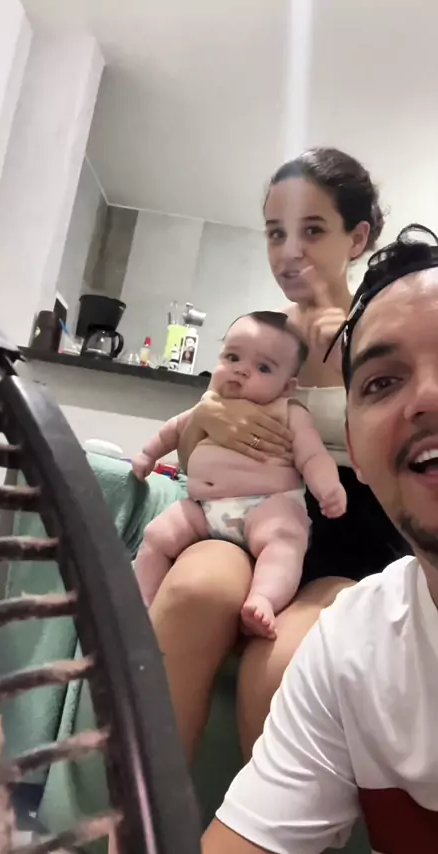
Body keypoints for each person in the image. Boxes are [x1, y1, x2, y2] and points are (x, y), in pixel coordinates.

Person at [149, 148, 410, 763]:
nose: (288, 251)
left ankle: (257, 817)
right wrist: (207, 417)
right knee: (193, 593)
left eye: (312, 231)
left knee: (282, 661)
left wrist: (353, 360)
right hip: (245, 516)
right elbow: (190, 460)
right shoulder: (263, 338)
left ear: (357, 238)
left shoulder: (387, 329)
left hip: (350, 529)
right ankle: (136, 811)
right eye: (275, 233)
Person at [202, 223, 438, 854]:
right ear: (354, 446)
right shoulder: (350, 646)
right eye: (382, 381)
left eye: (312, 229)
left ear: (356, 237)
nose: (426, 397)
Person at [132, 312, 346, 636]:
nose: (241, 370)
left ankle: (264, 598)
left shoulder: (288, 412)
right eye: (232, 357)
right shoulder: (211, 404)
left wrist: (327, 487)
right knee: (157, 535)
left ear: (287, 386)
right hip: (203, 509)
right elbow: (172, 431)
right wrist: (148, 455)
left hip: (266, 506)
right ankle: (141, 604)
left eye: (263, 368)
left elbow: (313, 455)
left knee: (285, 540)